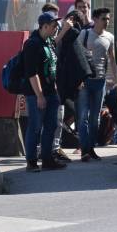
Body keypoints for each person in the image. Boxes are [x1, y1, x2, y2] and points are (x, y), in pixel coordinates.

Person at [22, 12, 67, 172]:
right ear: (45, 26)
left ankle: (47, 159)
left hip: (51, 92)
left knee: (51, 126)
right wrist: (39, 95)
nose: (56, 28)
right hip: (36, 94)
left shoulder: (49, 42)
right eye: (54, 25)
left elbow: (52, 68)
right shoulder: (32, 44)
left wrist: (54, 89)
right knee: (35, 127)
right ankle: (31, 162)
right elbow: (31, 73)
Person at [76, 7, 117, 161]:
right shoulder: (84, 34)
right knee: (82, 117)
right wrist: (78, 79)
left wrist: (116, 79)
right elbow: (77, 58)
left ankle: (90, 148)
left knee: (96, 119)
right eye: (103, 18)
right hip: (85, 82)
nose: (106, 21)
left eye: (108, 18)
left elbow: (112, 59)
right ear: (95, 19)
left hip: (100, 82)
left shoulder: (110, 37)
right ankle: (85, 150)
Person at [53, 10, 93, 159]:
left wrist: (79, 79)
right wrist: (63, 31)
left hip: (64, 84)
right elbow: (50, 47)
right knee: (54, 118)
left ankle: (56, 148)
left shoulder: (73, 36)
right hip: (51, 83)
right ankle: (50, 149)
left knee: (62, 116)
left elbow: (77, 59)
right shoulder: (57, 32)